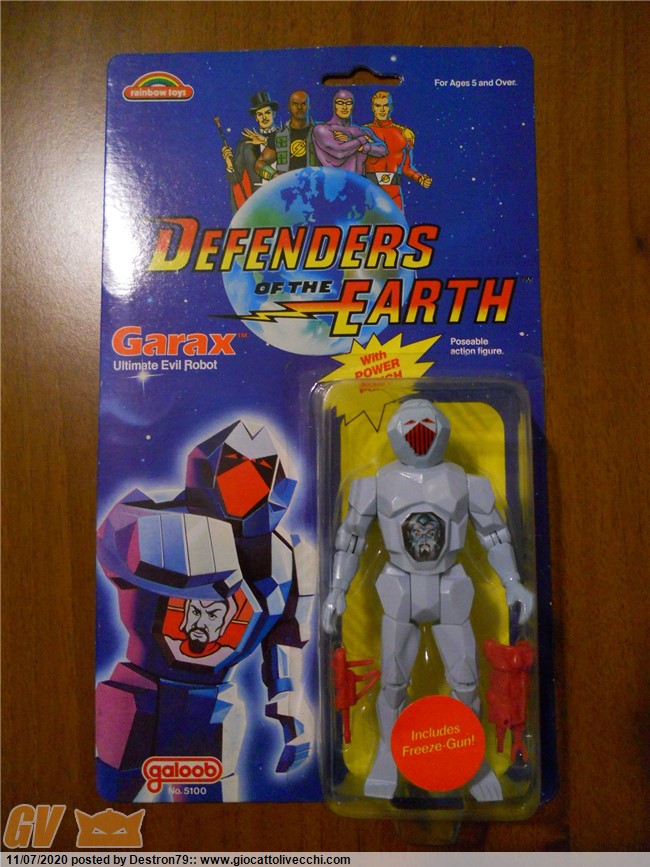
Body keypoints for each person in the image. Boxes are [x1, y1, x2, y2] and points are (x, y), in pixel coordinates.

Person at [365, 90, 432, 211]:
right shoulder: (363, 132)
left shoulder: (404, 134)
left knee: (397, 222)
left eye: (385, 105)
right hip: (370, 190)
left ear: (391, 107)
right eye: (378, 106)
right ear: (373, 108)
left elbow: (406, 167)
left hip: (394, 191)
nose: (382, 109)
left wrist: (419, 178)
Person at [222, 90, 280, 211]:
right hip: (258, 203)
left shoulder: (287, 137)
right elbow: (234, 179)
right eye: (260, 114)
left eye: (267, 112)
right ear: (256, 118)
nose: (264, 117)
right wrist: (229, 163)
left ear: (274, 114)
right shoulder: (245, 145)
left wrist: (265, 142)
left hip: (285, 196)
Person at [312, 89, 387, 174]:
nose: (344, 107)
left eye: (348, 103)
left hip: (360, 181)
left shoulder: (361, 130)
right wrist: (363, 140)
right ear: (334, 105)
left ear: (353, 106)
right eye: (340, 103)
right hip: (335, 180)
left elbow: (383, 149)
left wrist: (361, 147)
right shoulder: (322, 129)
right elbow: (340, 152)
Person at [255, 90, 320, 178]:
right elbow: (259, 163)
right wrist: (275, 176)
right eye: (295, 104)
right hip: (288, 185)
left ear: (309, 106)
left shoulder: (322, 132)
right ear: (289, 107)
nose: (299, 107)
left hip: (315, 183)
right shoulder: (279, 136)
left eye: (303, 104)